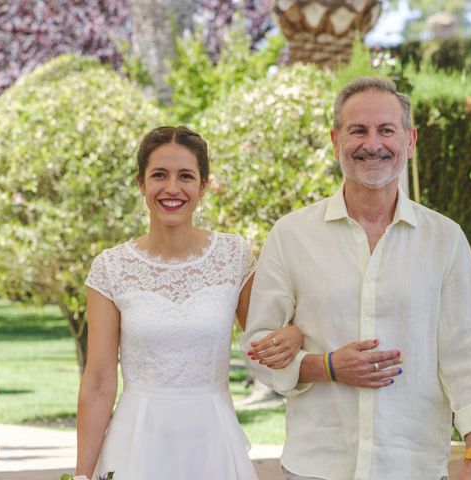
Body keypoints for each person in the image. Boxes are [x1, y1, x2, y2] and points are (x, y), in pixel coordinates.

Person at [242, 77, 471, 480]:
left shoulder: (445, 239)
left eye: (386, 130)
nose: (373, 144)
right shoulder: (291, 235)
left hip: (414, 467)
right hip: (317, 466)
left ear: (410, 140)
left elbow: (467, 357)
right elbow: (259, 351)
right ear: (335, 140)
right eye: (358, 130)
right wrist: (327, 366)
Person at [75, 126, 303, 479]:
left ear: (203, 185)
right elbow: (99, 382)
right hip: (137, 441)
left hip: (212, 438)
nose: (172, 188)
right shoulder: (111, 268)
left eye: (185, 176)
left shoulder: (234, 257)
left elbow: (264, 343)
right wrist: (81, 475)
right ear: (141, 184)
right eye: (159, 176)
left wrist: (295, 334)